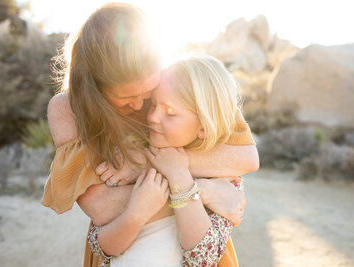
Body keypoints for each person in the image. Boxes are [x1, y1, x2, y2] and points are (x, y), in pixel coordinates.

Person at [41, 2, 259, 267]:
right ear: (94, 87)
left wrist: (144, 164)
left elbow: (246, 157)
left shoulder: (186, 84)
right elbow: (104, 208)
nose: (141, 106)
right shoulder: (67, 109)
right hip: (125, 248)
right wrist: (205, 191)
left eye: (149, 92)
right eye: (126, 97)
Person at [87, 54, 256, 266]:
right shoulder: (127, 160)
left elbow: (202, 256)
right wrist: (137, 212)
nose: (153, 117)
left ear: (203, 126)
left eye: (170, 112)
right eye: (153, 105)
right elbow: (99, 245)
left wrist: (180, 177)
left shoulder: (224, 178)